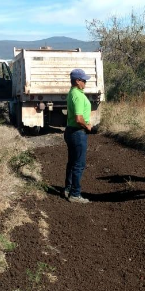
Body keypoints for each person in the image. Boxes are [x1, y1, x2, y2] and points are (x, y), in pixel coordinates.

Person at [64, 68, 93, 203]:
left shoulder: (72, 92)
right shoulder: (78, 95)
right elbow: (78, 118)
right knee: (79, 164)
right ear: (77, 81)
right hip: (78, 132)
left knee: (72, 162)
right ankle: (75, 194)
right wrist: (87, 126)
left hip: (70, 131)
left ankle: (68, 189)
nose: (85, 82)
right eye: (83, 80)